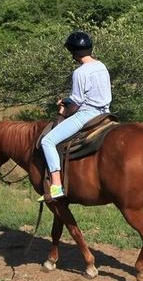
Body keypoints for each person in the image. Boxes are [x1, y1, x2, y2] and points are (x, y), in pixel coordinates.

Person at [40, 31, 112, 200]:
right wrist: (68, 100)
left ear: (73, 53)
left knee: (47, 141)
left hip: (87, 115)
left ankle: (56, 185)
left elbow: (77, 102)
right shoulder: (101, 66)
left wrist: (64, 110)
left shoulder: (80, 72)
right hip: (106, 113)